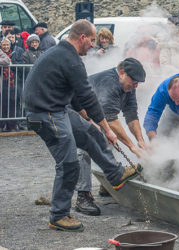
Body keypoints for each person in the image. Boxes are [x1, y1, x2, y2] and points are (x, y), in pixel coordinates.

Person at [23, 19, 142, 232]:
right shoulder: (70, 58)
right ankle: (58, 216)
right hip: (45, 113)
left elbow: (77, 97)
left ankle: (115, 174)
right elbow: (88, 97)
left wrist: (90, 122)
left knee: (90, 133)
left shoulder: (67, 56)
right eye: (92, 40)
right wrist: (107, 129)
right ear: (82, 38)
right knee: (69, 163)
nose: (93, 45)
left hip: (57, 109)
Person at [72, 58, 148, 216]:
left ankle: (107, 184)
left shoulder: (128, 87)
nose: (136, 86)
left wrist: (140, 141)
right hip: (75, 112)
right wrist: (132, 146)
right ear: (122, 73)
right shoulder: (110, 82)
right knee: (85, 149)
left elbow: (131, 115)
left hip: (95, 117)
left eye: (137, 83)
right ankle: (83, 196)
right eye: (134, 81)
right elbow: (110, 119)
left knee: (109, 141)